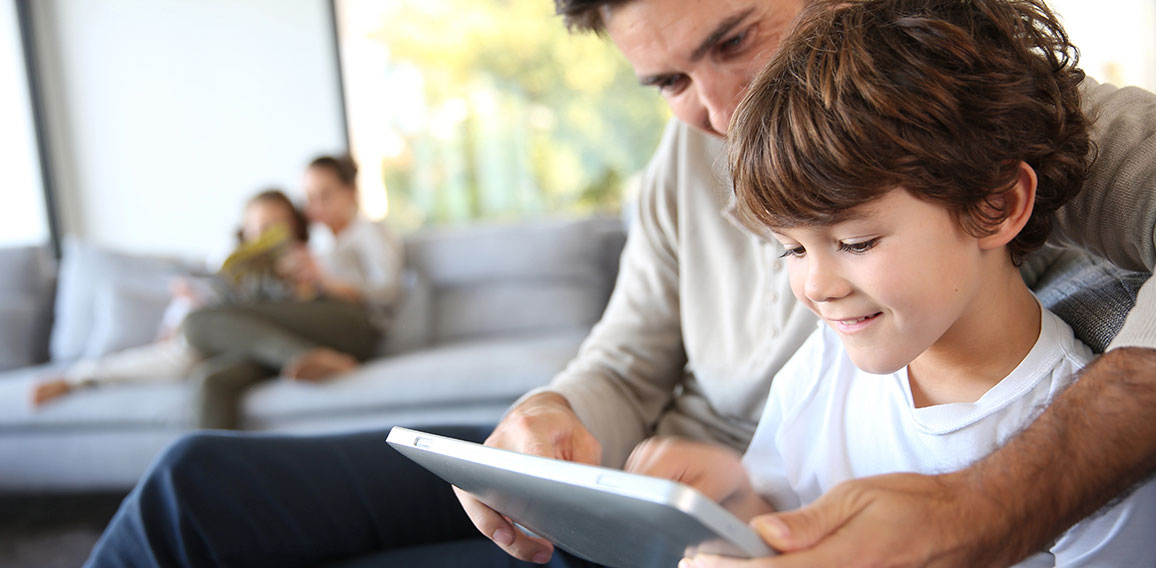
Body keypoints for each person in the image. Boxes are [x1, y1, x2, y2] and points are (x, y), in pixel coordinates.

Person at [85, 0, 1156, 566]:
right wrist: (556, 419)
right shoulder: (686, 162)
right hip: (661, 486)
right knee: (194, 486)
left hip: (723, 529)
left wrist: (983, 508)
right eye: (667, 81)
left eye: (732, 41)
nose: (717, 109)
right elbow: (629, 355)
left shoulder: (990, 118)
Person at [623, 1, 1156, 566]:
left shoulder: (1096, 455)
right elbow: (781, 521)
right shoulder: (821, 368)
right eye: (794, 249)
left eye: (857, 243)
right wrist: (734, 504)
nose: (817, 286)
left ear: (997, 205)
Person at [28, 189, 311, 412]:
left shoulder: (308, 263)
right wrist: (183, 310)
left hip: (261, 344)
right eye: (259, 228)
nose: (265, 235)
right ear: (245, 230)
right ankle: (81, 376)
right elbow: (191, 309)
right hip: (215, 338)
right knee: (184, 353)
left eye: (276, 226)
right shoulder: (226, 260)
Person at [179, 155, 404, 429]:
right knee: (213, 380)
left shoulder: (369, 230)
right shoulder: (322, 242)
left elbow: (386, 292)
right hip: (309, 332)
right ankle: (212, 470)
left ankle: (297, 355)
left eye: (325, 195)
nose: (316, 206)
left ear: (350, 192)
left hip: (352, 323)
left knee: (197, 322)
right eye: (310, 198)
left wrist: (324, 280)